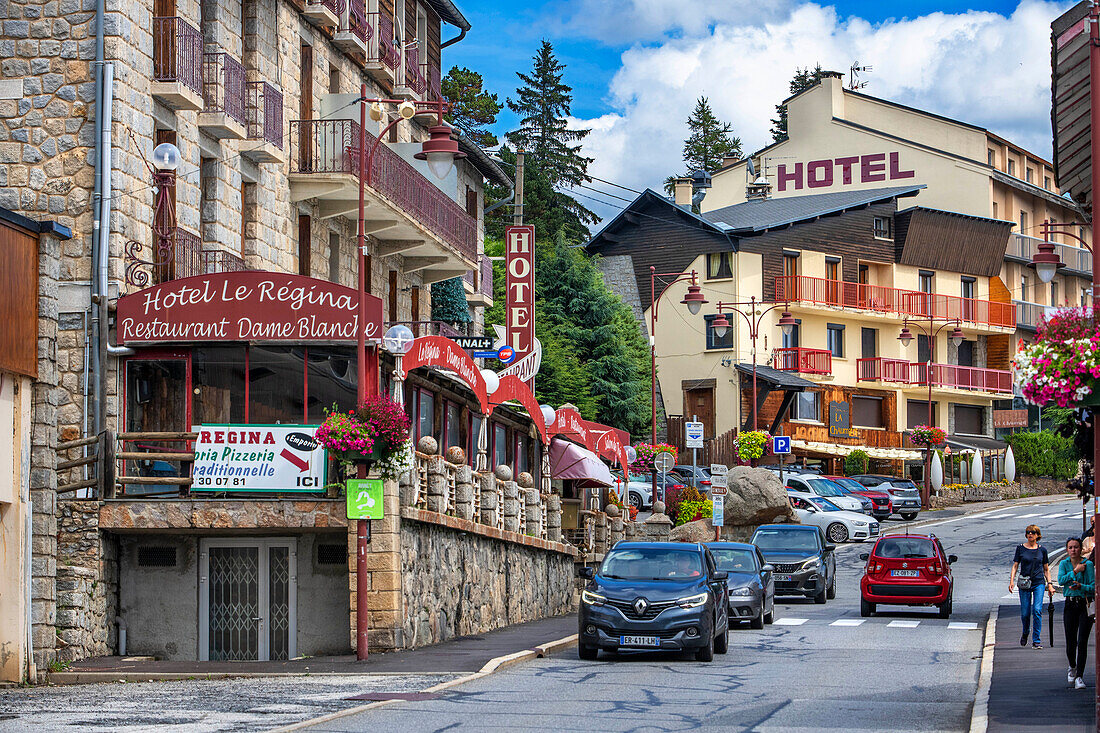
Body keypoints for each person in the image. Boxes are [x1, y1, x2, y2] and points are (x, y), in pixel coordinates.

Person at [1059, 536, 1095, 690]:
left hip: (1084, 604)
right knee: (1070, 641)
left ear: (1081, 549)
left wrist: (1081, 586)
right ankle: (1072, 666)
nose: (1073, 550)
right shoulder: (1064, 563)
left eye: (1076, 547)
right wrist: (1075, 571)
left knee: (1082, 641)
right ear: (1067, 550)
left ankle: (1079, 675)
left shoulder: (1088, 564)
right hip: (1070, 604)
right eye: (1070, 547)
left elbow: (1092, 586)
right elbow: (1061, 581)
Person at [1010, 524, 1053, 648]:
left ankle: (1036, 640)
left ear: (1037, 535)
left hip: (1038, 582)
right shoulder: (1020, 549)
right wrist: (1011, 581)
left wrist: (1050, 584)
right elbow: (1015, 565)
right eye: (1028, 532)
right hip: (1025, 583)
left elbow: (1046, 569)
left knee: (1037, 610)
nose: (1030, 534)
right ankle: (1025, 632)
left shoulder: (1042, 550)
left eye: (1033, 532)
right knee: (1025, 613)